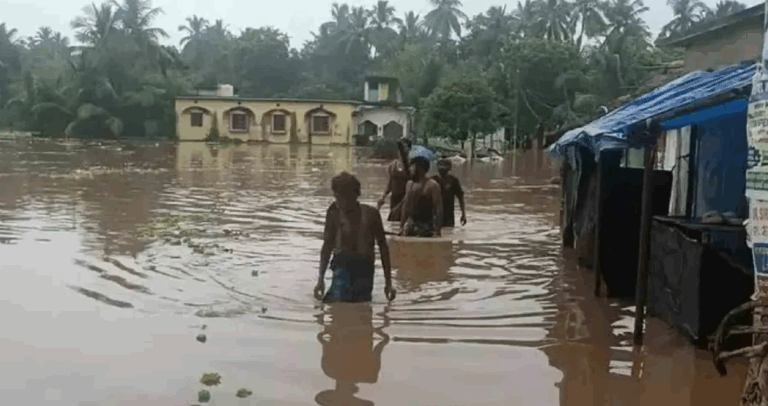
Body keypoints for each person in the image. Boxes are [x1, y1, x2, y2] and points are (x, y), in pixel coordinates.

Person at [315, 172, 396, 302]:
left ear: (353, 196)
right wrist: (320, 280)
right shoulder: (334, 212)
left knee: (362, 310)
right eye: (335, 197)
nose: (337, 201)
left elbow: (383, 248)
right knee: (337, 308)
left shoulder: (371, 214)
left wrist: (388, 283)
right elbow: (327, 245)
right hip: (342, 267)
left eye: (340, 198)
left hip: (365, 270)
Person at [399, 155, 443, 237]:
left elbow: (439, 210)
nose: (410, 169)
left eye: (412, 167)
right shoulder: (409, 184)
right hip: (411, 225)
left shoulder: (432, 185)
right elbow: (405, 207)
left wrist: (438, 231)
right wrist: (401, 227)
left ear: (419, 168)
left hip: (426, 226)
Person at [377, 138, 412, 221]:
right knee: (393, 222)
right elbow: (390, 183)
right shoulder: (392, 165)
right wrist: (383, 196)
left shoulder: (412, 165)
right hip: (394, 198)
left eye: (405, 147)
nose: (403, 149)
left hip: (407, 199)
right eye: (401, 147)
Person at [432, 158, 467, 227]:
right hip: (434, 214)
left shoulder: (453, 180)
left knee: (448, 232)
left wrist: (463, 214)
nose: (442, 168)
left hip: (449, 215)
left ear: (449, 168)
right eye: (440, 166)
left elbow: (461, 197)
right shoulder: (433, 180)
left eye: (444, 166)